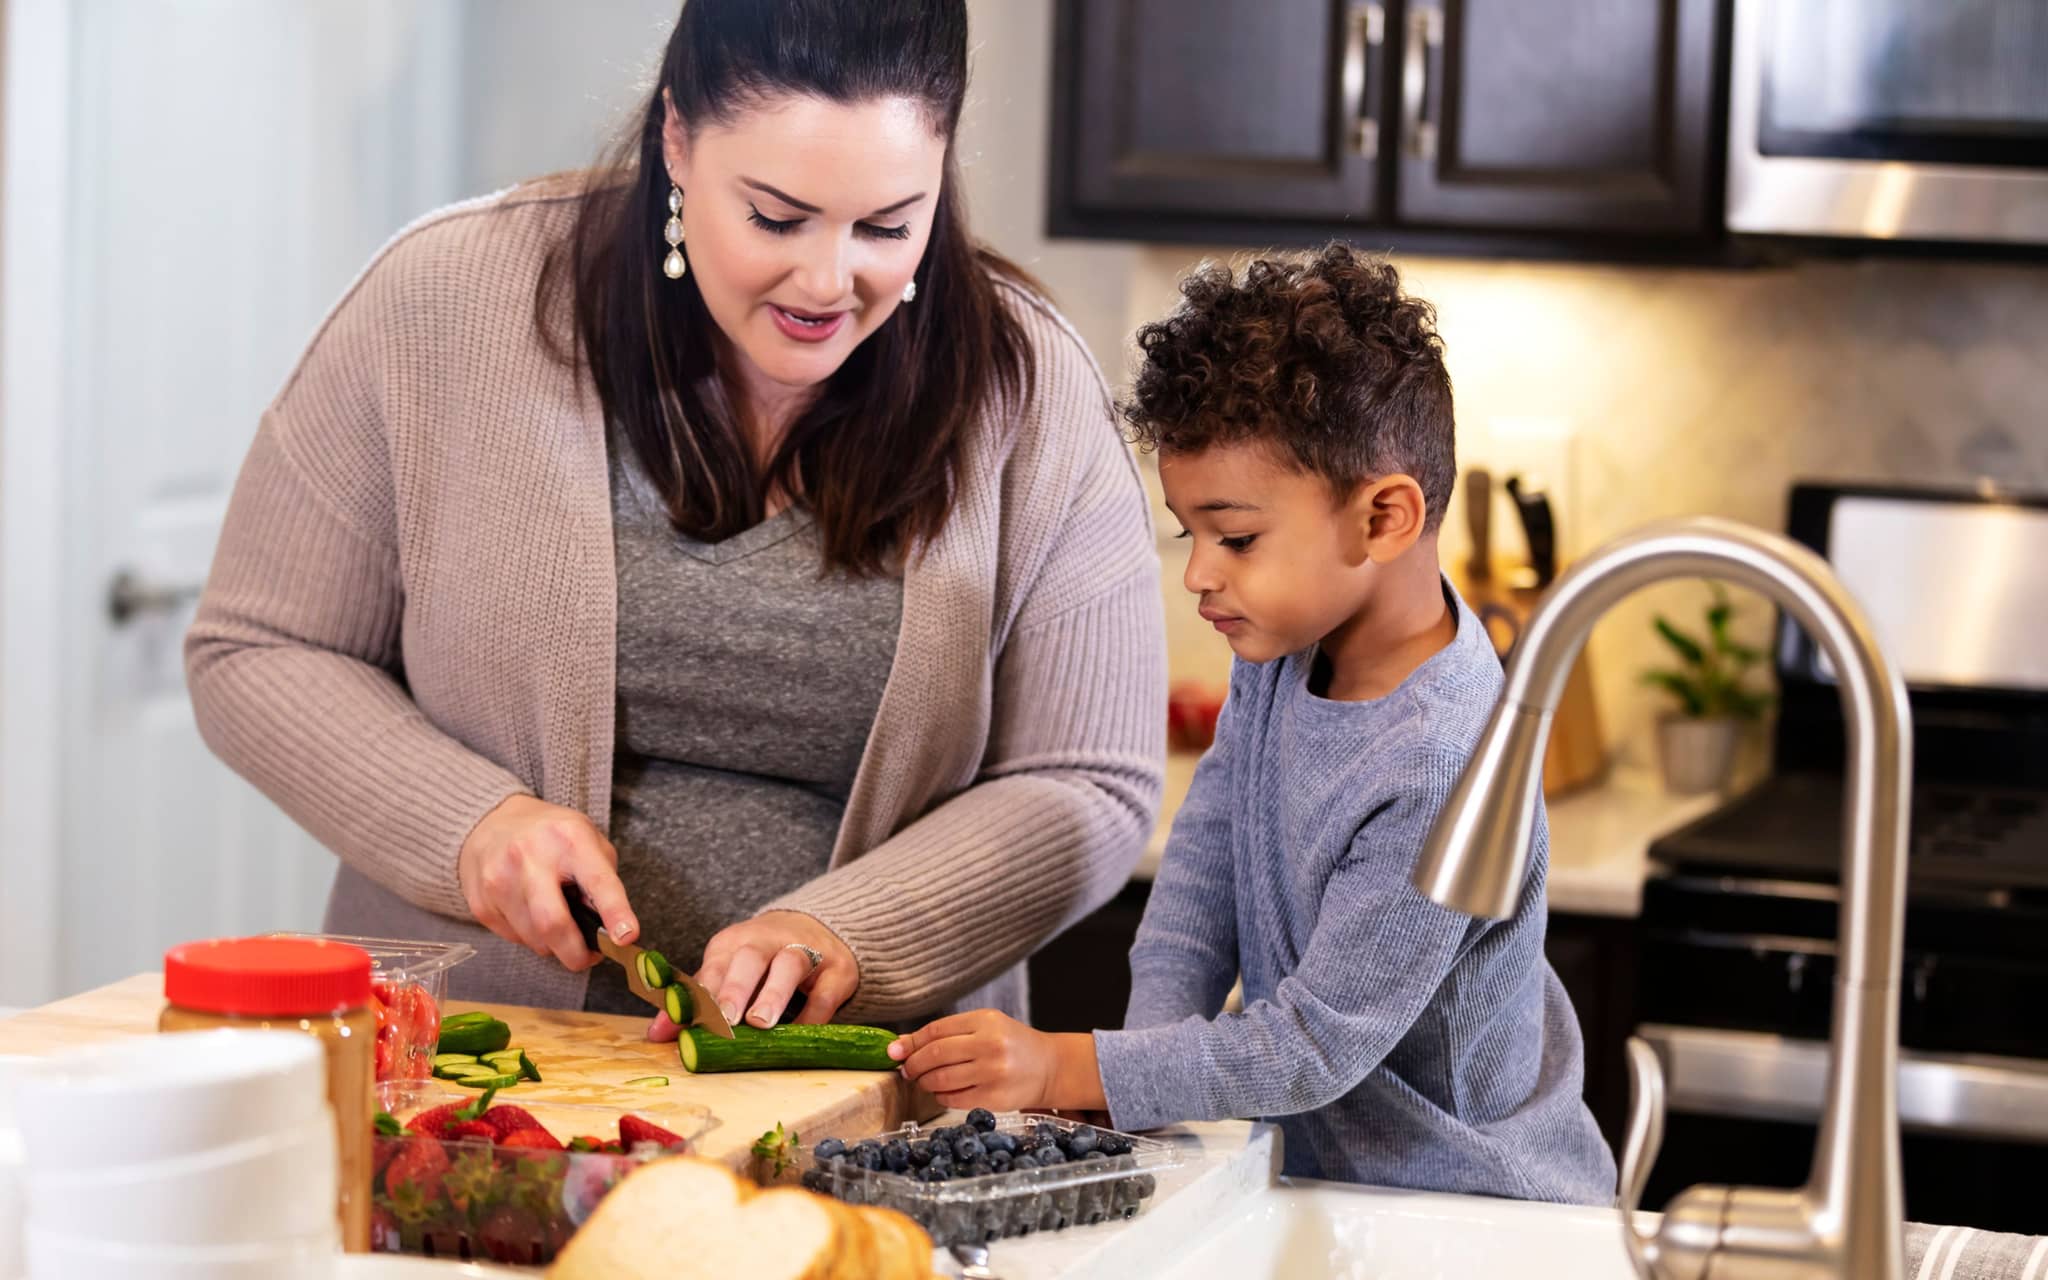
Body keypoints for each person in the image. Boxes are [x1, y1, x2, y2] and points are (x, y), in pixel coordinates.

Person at [185, 0, 1163, 1033]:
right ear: (678, 139)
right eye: (775, 218)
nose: (827, 281)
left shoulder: (1031, 387)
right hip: (475, 1073)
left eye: (886, 226)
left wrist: (849, 933)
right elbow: (258, 646)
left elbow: (1088, 780)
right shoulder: (443, 299)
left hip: (868, 1088)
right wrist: (471, 824)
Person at [888, 246, 1617, 1204]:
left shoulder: (1443, 760)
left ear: (1384, 519)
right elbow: (1204, 872)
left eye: (1235, 537)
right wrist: (1142, 1071)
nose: (1199, 573)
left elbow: (1313, 1047)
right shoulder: (1283, 653)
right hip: (1332, 1189)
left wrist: (1076, 1067)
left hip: (1471, 1207)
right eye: (1190, 533)